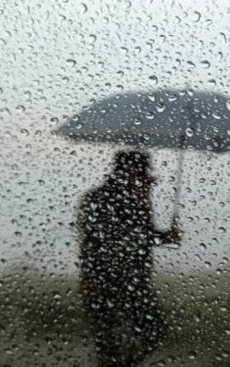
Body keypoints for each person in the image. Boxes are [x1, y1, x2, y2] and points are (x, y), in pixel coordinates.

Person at [76, 150, 181, 367]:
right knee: (111, 340)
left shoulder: (136, 198)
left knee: (150, 331)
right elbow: (108, 237)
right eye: (141, 176)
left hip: (133, 281)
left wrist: (162, 236)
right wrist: (158, 235)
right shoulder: (98, 199)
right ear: (123, 173)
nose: (146, 181)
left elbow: (139, 236)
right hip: (103, 281)